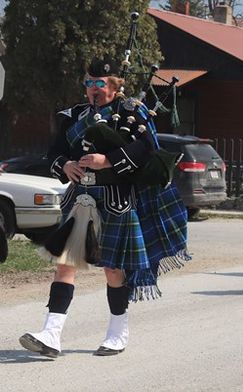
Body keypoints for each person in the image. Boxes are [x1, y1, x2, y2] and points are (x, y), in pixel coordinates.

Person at [19, 57, 189, 358]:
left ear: (114, 86)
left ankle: (117, 332)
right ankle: (52, 334)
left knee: (112, 269)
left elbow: (146, 147)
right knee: (65, 264)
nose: (93, 90)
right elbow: (54, 152)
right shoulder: (74, 116)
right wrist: (66, 164)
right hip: (80, 197)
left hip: (116, 199)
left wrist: (108, 160)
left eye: (99, 84)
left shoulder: (131, 113)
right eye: (89, 83)